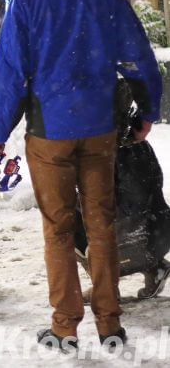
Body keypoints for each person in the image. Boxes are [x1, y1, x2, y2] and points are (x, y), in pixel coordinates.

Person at [0, 0, 162, 350]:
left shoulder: (26, 1)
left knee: (59, 230)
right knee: (101, 225)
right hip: (100, 129)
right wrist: (147, 111)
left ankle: (65, 326)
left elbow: (10, 75)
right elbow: (138, 56)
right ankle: (110, 325)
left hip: (50, 133)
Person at [75, 79, 170, 301]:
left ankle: (105, 286)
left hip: (120, 247)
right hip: (158, 238)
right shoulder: (139, 145)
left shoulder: (94, 155)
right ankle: (153, 268)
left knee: (64, 217)